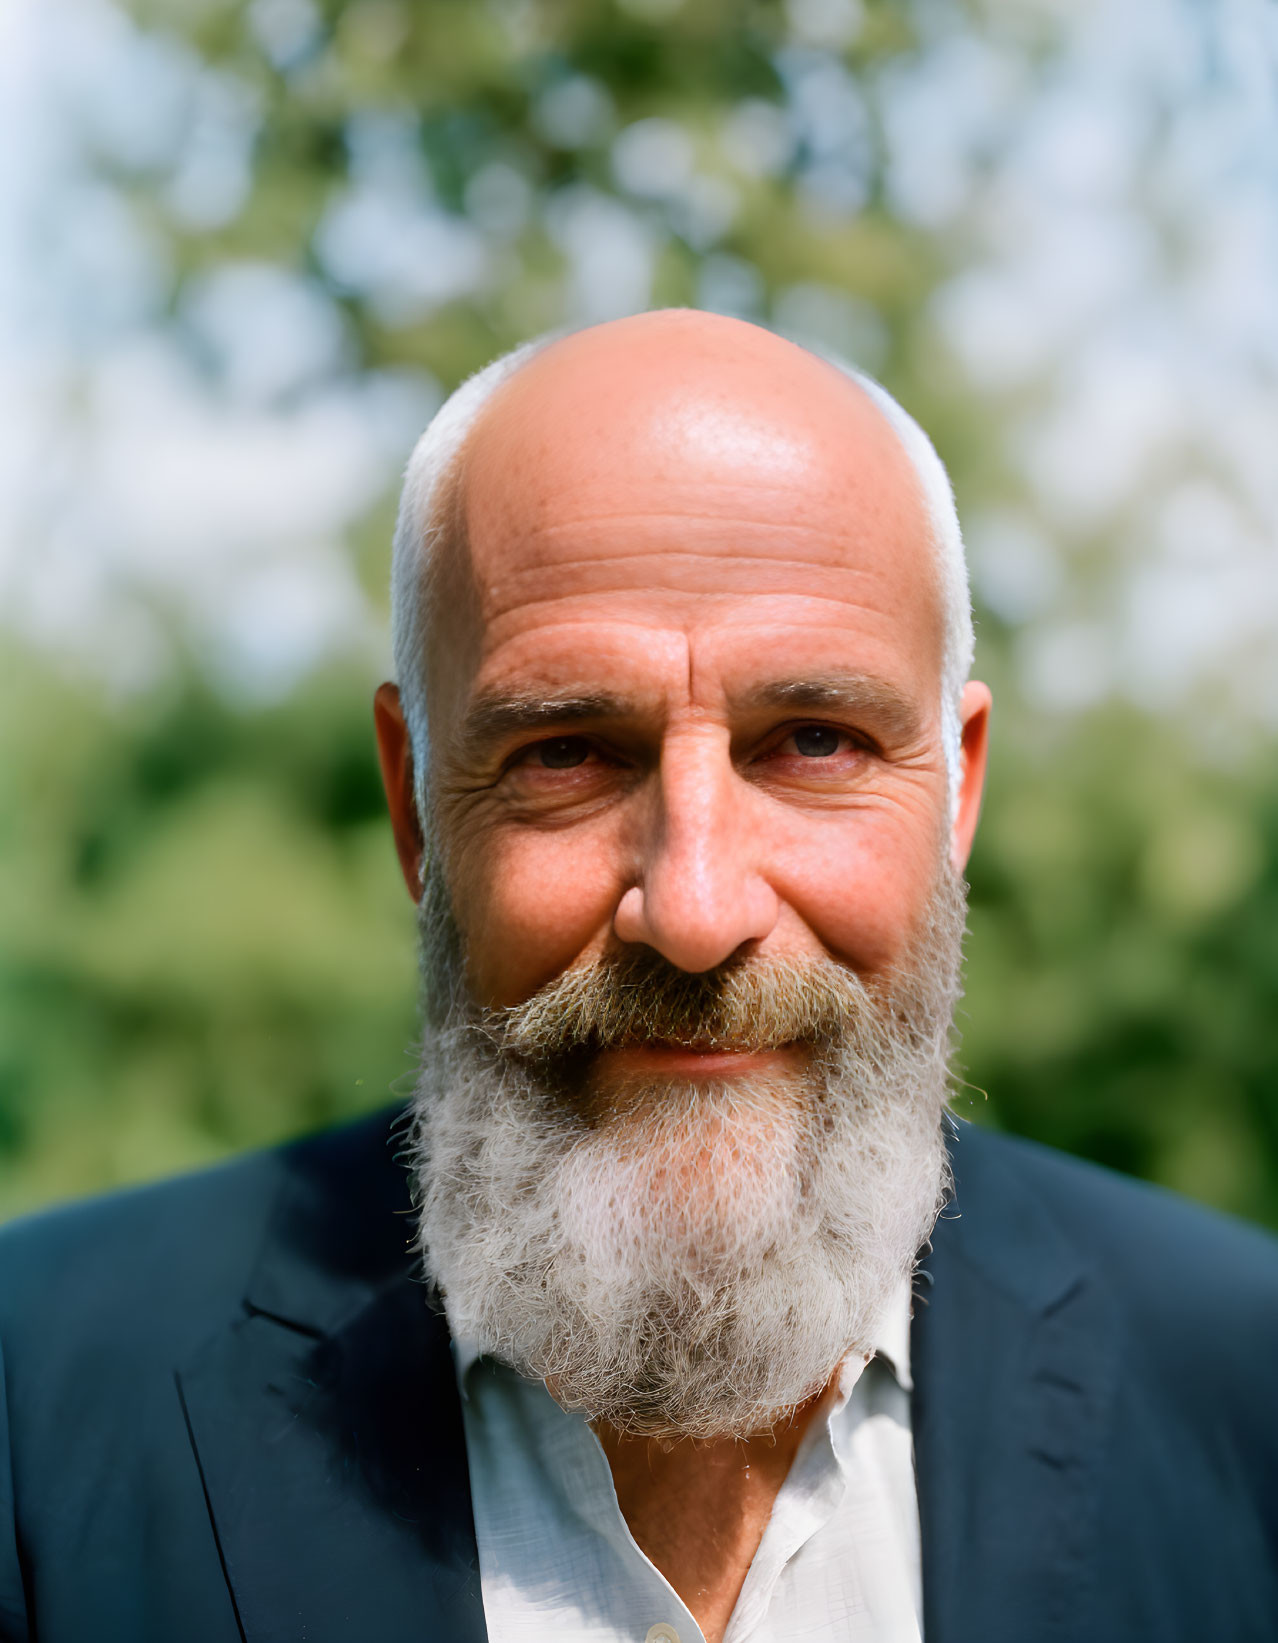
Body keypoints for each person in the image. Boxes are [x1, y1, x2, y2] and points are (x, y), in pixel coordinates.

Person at [0, 310, 1274, 1643]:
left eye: (813, 744)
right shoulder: (35, 1408)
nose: (695, 910)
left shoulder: (1247, 1389)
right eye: (567, 754)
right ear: (416, 806)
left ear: (956, 792)